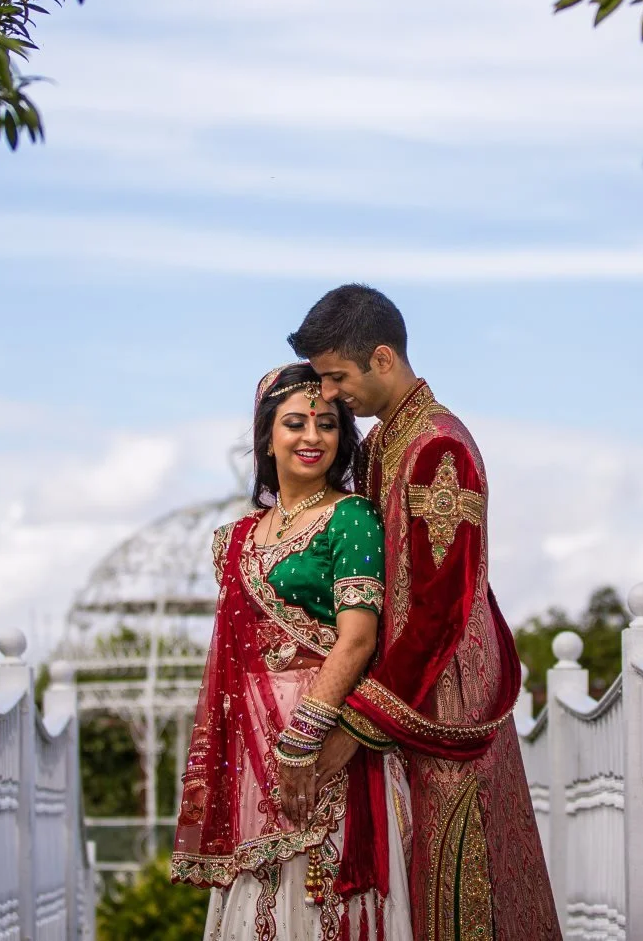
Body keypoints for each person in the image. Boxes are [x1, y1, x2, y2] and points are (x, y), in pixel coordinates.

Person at [286, 285, 561, 941]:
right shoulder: (387, 441)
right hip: (410, 703)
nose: (327, 395)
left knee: (461, 890)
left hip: (445, 708)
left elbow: (440, 609)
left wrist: (354, 724)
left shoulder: (438, 447)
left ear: (382, 358)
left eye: (336, 377)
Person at [172, 362, 414, 941]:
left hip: (325, 746)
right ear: (267, 436)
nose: (312, 437)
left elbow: (358, 639)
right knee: (260, 896)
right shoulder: (236, 539)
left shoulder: (350, 518)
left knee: (323, 895)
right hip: (250, 759)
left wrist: (305, 741)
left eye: (328, 424)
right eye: (295, 423)